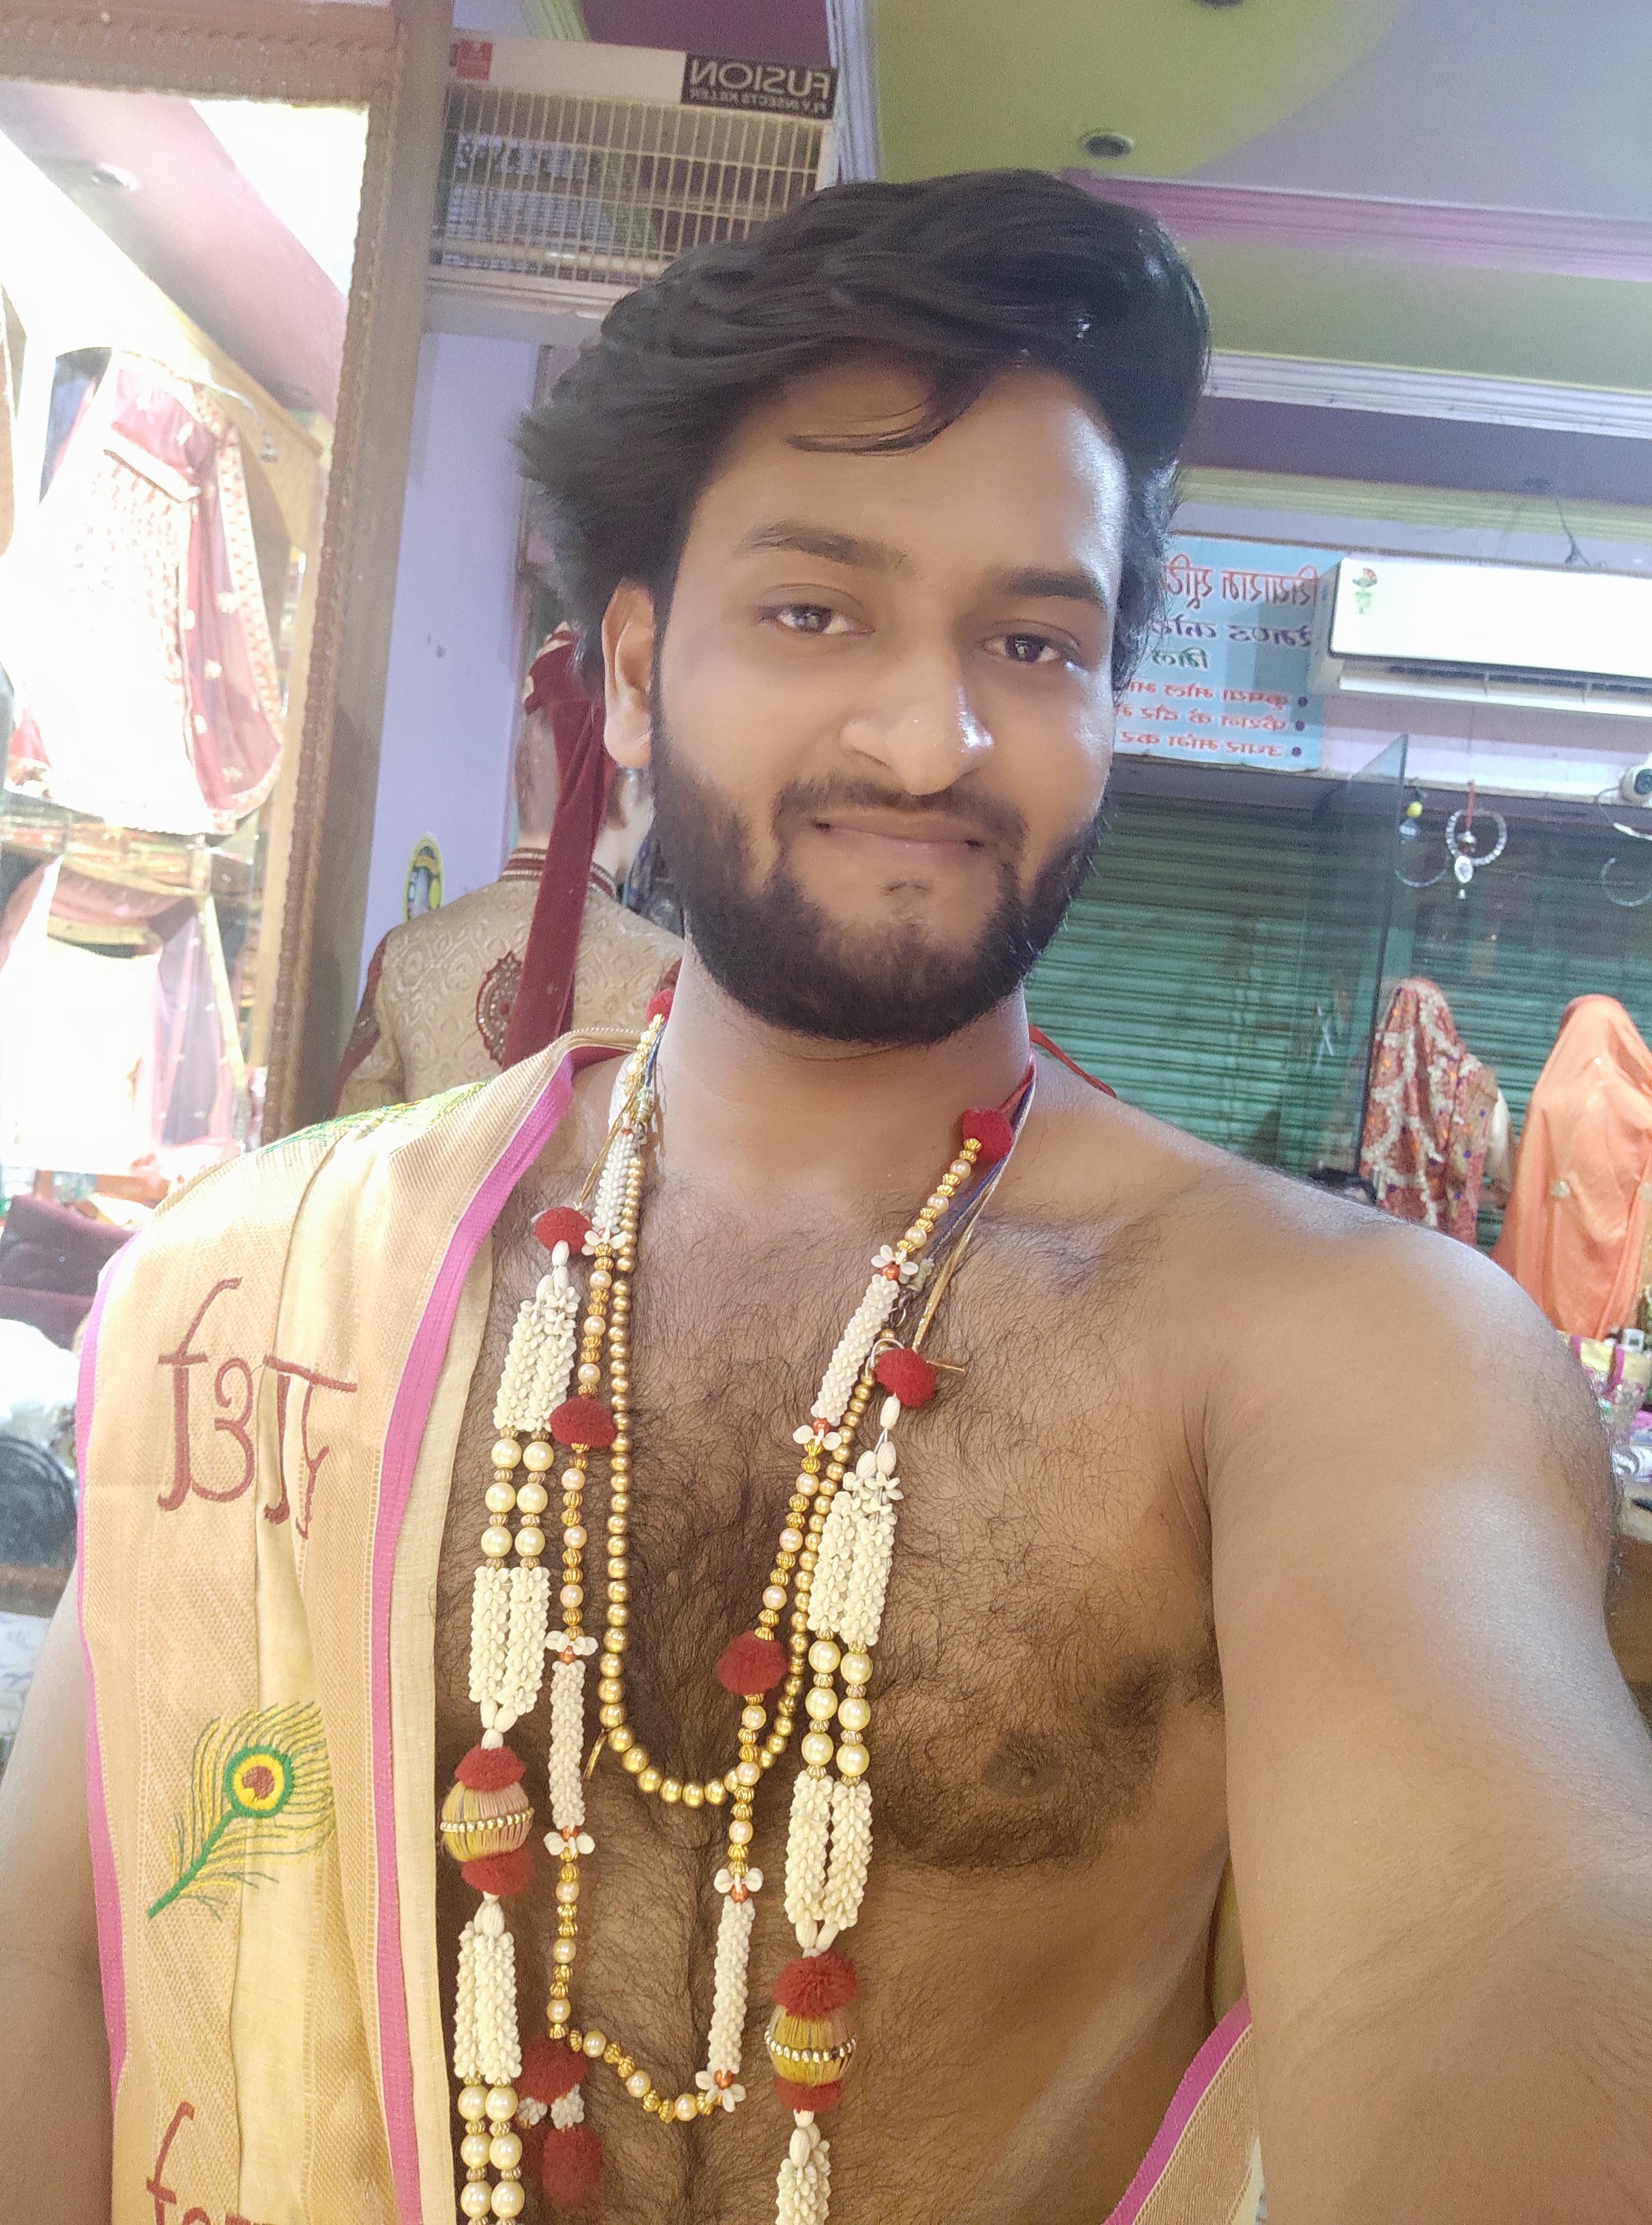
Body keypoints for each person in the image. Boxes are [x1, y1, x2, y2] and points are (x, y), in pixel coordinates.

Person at [3, 171, 1650, 2225]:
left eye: (1031, 641)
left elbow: (1491, 1957)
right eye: (814, 610)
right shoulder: (259, 1291)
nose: (931, 735)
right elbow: (58, 1957)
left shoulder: (1338, 1352)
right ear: (627, 671)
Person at [333, 627, 681, 1113]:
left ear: (521, 781)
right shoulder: (670, 973)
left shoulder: (402, 957)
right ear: (625, 794)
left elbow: (352, 1138)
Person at [1493, 992, 1652, 1337]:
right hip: (1618, 1259)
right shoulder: (1643, 1109)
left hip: (1556, 1251)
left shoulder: (1549, 1101)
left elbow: (1528, 1187)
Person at [1358, 976, 1507, 1244]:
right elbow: (1506, 1181)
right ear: (1442, 1017)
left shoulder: (1368, 1077)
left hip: (1373, 1241)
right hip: (1443, 1250)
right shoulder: (1476, 1086)